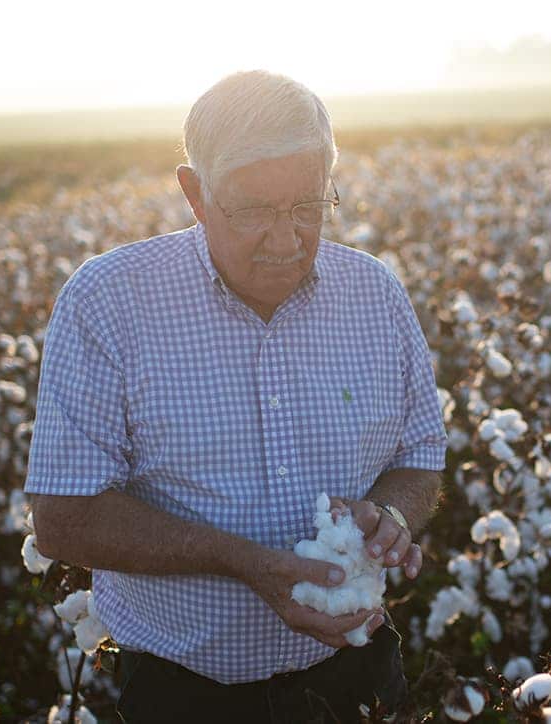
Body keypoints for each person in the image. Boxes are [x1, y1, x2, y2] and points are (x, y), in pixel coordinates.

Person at [24, 70, 448, 722]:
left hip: (357, 672)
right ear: (195, 194)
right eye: (252, 209)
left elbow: (420, 455)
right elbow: (62, 516)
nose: (286, 239)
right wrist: (242, 563)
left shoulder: (375, 296)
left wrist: (388, 517)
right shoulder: (109, 302)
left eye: (309, 207)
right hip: (186, 696)